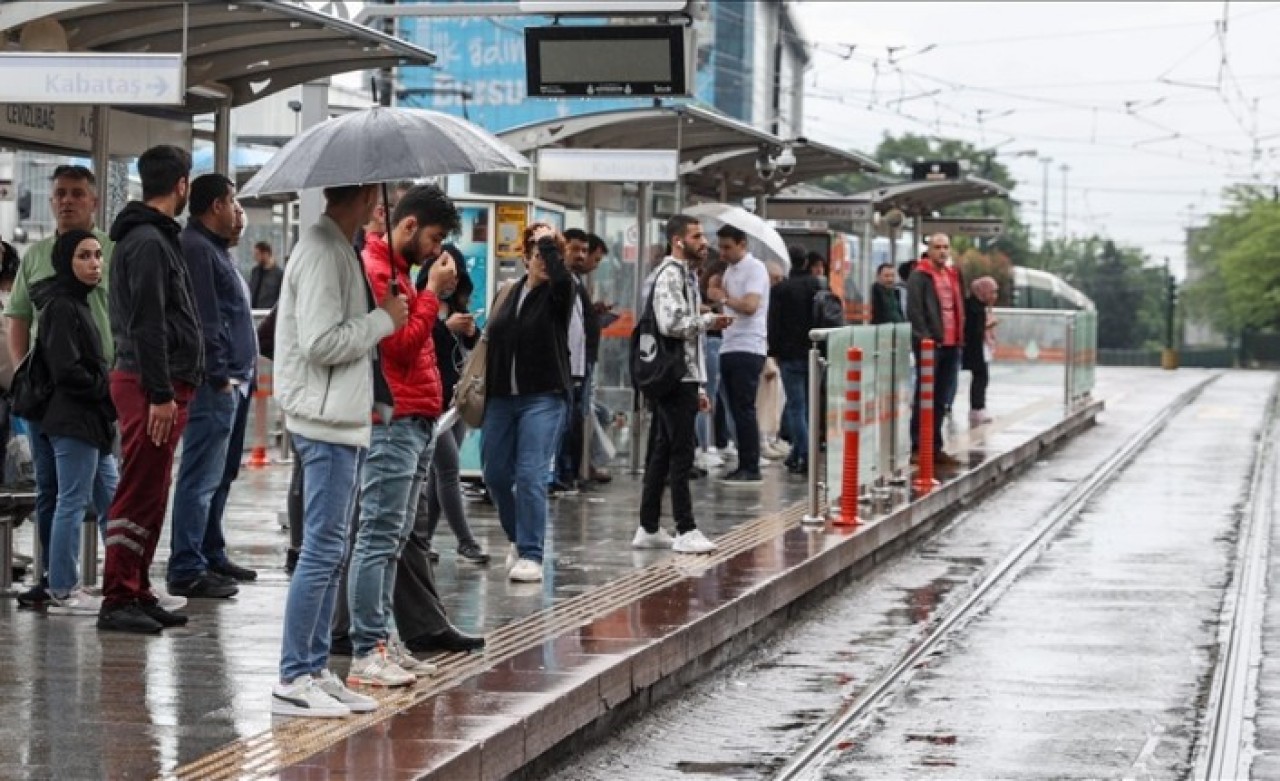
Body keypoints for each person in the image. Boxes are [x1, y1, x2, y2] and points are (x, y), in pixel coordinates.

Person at [272, 182, 408, 718]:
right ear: (366, 196)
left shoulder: (338, 247)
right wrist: (382, 320)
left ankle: (313, 669)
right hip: (324, 421)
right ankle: (293, 676)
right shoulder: (324, 251)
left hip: (339, 420)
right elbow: (321, 343)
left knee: (332, 553)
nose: (381, 207)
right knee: (322, 551)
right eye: (378, 198)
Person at [347, 184, 461, 687]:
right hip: (393, 421)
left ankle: (385, 639)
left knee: (394, 538)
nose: (436, 251)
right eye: (433, 238)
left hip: (415, 418)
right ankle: (367, 648)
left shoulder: (397, 273)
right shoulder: (377, 271)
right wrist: (431, 292)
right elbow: (399, 348)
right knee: (377, 536)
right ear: (409, 225)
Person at [100, 144, 204, 634]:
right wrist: (161, 393)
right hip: (148, 384)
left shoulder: (155, 238)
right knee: (138, 490)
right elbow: (148, 322)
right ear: (182, 184)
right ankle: (118, 596)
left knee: (153, 491)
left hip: (157, 382)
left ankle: (137, 589)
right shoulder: (147, 242)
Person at [5, 164, 115, 609]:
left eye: (77, 193)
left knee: (103, 488)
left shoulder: (111, 250)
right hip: (54, 396)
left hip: (97, 394)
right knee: (56, 491)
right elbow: (18, 317)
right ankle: (57, 580)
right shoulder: (36, 258)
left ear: (93, 201)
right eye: (60, 194)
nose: (67, 200)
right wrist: (24, 372)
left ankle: (120, 580)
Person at [166, 174, 256, 600]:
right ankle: (186, 565)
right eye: (233, 202)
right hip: (216, 383)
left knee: (222, 472)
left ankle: (210, 550)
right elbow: (207, 318)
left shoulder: (217, 249)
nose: (238, 211)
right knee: (201, 475)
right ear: (216, 204)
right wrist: (219, 376)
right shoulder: (197, 248)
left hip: (235, 379)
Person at [29, 230, 118, 616]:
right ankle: (63, 588)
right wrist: (105, 386)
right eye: (84, 256)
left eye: (97, 255)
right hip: (74, 418)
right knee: (73, 501)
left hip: (90, 419)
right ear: (66, 260)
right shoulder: (62, 306)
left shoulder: (77, 302)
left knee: (113, 499)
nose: (95, 263)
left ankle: (128, 582)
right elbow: (66, 368)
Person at [633, 215, 732, 554]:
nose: (704, 242)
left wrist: (699, 385)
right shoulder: (670, 275)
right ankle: (685, 528)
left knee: (664, 449)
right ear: (678, 241)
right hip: (674, 377)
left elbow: (688, 343)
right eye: (696, 236)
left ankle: (648, 525)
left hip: (682, 375)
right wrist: (708, 320)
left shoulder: (686, 275)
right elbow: (671, 324)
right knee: (681, 453)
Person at [481, 223, 573, 583]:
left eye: (551, 255)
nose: (545, 262)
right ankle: (518, 538)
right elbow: (493, 339)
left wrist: (549, 242)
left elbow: (562, 280)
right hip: (501, 397)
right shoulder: (508, 292)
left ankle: (532, 553)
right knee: (495, 474)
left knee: (531, 473)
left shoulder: (559, 295)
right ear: (525, 258)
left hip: (543, 397)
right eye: (538, 255)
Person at [417, 244, 487, 565]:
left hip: (455, 399)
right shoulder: (422, 302)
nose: (451, 281)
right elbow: (417, 340)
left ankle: (423, 539)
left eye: (456, 276)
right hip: (430, 399)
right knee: (448, 469)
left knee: (438, 473)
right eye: (446, 274)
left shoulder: (457, 304)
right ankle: (465, 541)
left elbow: (471, 345)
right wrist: (446, 328)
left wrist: (471, 332)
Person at [706, 225, 770, 485]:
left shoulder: (755, 269)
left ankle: (750, 465)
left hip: (748, 345)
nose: (723, 253)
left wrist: (723, 298)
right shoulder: (728, 271)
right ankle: (744, 462)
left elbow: (750, 306)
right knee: (733, 407)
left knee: (744, 407)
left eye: (728, 247)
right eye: (720, 247)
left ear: (742, 244)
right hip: (729, 343)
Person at [906, 233, 964, 467]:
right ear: (929, 250)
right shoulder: (920, 275)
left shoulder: (952, 274)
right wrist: (925, 339)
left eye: (945, 247)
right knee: (925, 396)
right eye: (937, 247)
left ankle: (935, 446)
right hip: (931, 345)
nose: (942, 251)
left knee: (941, 399)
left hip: (952, 344)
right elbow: (915, 310)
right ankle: (918, 446)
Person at [768, 246, 824, 474]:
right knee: (810, 406)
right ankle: (798, 453)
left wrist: (773, 351)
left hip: (790, 354)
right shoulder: (818, 286)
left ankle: (805, 454)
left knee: (795, 406)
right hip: (816, 350)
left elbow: (774, 323)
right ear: (806, 262)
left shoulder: (780, 289)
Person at [964, 276, 999, 425]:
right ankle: (977, 408)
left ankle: (979, 407)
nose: (994, 296)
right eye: (992, 292)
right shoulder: (974, 308)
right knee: (980, 376)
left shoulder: (979, 307)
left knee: (982, 377)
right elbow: (974, 330)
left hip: (978, 347)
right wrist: (988, 326)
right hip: (974, 348)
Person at [249, 241, 283, 310]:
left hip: (269, 312)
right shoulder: (255, 271)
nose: (254, 257)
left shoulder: (279, 274)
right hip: (253, 312)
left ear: (265, 254)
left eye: (257, 254)